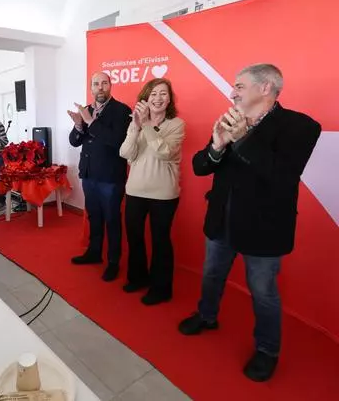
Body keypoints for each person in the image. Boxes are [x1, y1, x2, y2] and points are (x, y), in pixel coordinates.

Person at [178, 64, 321, 382]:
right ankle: (207, 315)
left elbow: (282, 177)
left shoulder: (301, 126)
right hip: (221, 222)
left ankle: (267, 350)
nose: (232, 92)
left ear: (266, 87)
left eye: (239, 86)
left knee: (263, 291)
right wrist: (217, 146)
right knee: (211, 275)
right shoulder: (230, 120)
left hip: (264, 229)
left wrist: (242, 139)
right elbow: (201, 167)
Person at [119, 78, 185, 305]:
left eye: (163, 94)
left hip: (163, 195)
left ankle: (161, 289)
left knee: (160, 241)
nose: (158, 98)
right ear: (145, 99)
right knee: (134, 237)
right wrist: (136, 127)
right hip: (135, 191)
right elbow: (125, 153)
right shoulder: (136, 122)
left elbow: (164, 152)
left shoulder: (176, 124)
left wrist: (146, 124)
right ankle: (138, 278)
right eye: (153, 94)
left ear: (170, 99)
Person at [68, 71, 131, 281]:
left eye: (104, 83)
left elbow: (118, 141)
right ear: (91, 88)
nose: (100, 87)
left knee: (112, 219)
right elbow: (74, 141)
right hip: (89, 174)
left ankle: (113, 261)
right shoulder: (86, 110)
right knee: (94, 216)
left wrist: (91, 122)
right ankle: (94, 252)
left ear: (110, 85)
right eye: (96, 84)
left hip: (110, 177)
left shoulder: (122, 110)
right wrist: (79, 125)